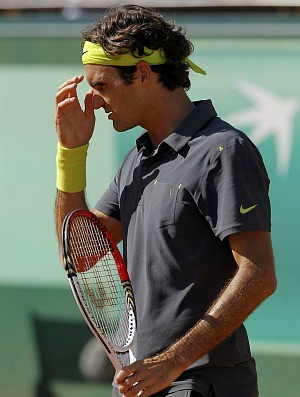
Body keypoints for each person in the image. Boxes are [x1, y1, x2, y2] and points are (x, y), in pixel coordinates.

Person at [54, 5, 277, 397]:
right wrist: (70, 153)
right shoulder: (136, 160)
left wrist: (173, 361)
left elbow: (258, 275)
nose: (94, 100)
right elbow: (81, 255)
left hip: (202, 383)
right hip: (142, 383)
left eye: (101, 85)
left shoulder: (224, 150)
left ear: (141, 74)